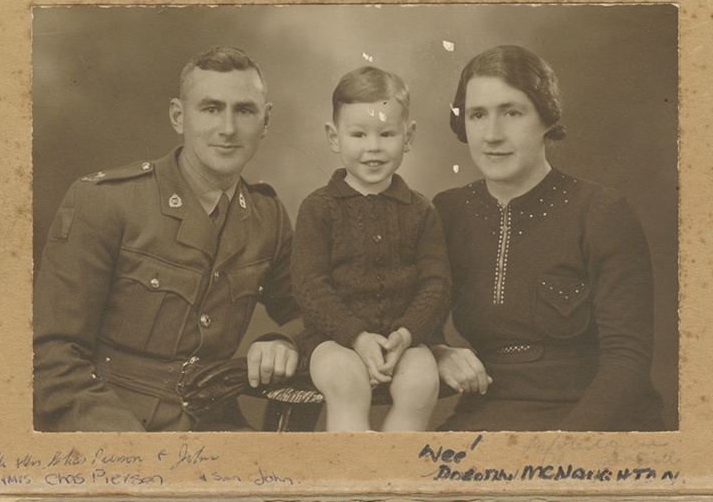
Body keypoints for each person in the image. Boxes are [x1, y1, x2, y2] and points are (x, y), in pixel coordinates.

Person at [33, 46, 303, 432]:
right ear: (179, 116)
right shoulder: (106, 201)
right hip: (112, 425)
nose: (227, 129)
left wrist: (283, 339)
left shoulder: (267, 216)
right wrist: (132, 450)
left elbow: (312, 312)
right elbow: (50, 355)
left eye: (244, 110)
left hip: (217, 425)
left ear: (266, 120)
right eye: (210, 109)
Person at [431, 45, 664, 431]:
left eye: (512, 112)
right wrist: (437, 351)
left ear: (546, 118)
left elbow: (627, 363)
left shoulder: (601, 213)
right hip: (486, 416)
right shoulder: (448, 212)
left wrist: (560, 450)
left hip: (594, 421)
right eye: (477, 115)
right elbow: (413, 315)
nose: (492, 134)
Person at [291, 66, 451, 432]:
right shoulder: (318, 208)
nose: (373, 148)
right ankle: (355, 480)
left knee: (422, 382)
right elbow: (310, 286)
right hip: (333, 341)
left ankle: (395, 476)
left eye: (387, 133)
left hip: (405, 341)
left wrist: (407, 333)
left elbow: (437, 284)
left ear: (408, 136)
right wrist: (356, 337)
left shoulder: (421, 210)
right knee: (347, 383)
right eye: (358, 134)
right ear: (334, 137)